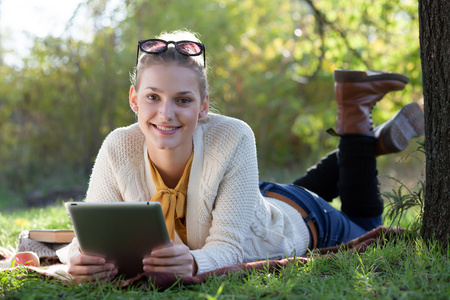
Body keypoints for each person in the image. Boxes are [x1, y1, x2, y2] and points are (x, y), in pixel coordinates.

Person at [65, 30, 424, 283]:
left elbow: (230, 248)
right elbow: (89, 238)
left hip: (301, 220)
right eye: (153, 97)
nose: (166, 114)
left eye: (183, 100)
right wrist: (84, 263)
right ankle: (368, 142)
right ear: (134, 99)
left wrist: (191, 262)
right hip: (252, 202)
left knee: (366, 223)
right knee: (277, 198)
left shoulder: (233, 135)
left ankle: (354, 109)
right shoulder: (118, 146)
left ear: (203, 106)